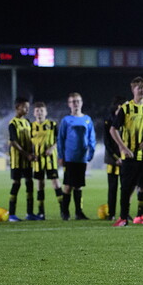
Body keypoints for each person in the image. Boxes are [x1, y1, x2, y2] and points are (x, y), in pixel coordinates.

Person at [109, 77, 143, 227]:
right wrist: (123, 147)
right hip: (130, 155)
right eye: (139, 88)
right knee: (126, 188)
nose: (142, 90)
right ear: (133, 90)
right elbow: (113, 129)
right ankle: (123, 218)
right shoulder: (125, 108)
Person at [58, 92, 95, 220]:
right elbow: (60, 139)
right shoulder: (66, 120)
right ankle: (65, 212)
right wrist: (61, 155)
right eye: (73, 101)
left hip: (82, 157)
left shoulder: (87, 119)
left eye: (78, 101)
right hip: (69, 157)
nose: (76, 104)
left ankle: (79, 212)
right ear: (69, 104)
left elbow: (91, 138)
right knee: (68, 185)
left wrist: (91, 152)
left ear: (82, 102)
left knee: (78, 186)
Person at [30, 101, 63, 219]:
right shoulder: (31, 126)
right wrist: (32, 154)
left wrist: (52, 148)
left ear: (46, 112)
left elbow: (59, 139)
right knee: (40, 184)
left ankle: (63, 210)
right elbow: (29, 143)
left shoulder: (52, 124)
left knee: (55, 182)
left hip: (50, 159)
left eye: (41, 111)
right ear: (34, 113)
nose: (39, 113)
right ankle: (41, 212)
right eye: (37, 111)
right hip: (37, 160)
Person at [7, 96, 36, 222]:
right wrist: (26, 154)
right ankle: (12, 214)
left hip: (28, 160)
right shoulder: (12, 123)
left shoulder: (28, 122)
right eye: (24, 107)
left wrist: (33, 153)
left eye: (28, 107)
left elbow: (32, 139)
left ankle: (30, 213)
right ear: (17, 107)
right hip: (17, 160)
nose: (27, 109)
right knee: (16, 184)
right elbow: (13, 142)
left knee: (29, 184)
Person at [101, 96, 125, 220]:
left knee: (125, 187)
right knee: (113, 187)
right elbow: (107, 143)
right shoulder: (108, 121)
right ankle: (111, 213)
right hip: (112, 159)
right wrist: (116, 157)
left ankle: (124, 213)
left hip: (126, 159)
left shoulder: (128, 120)